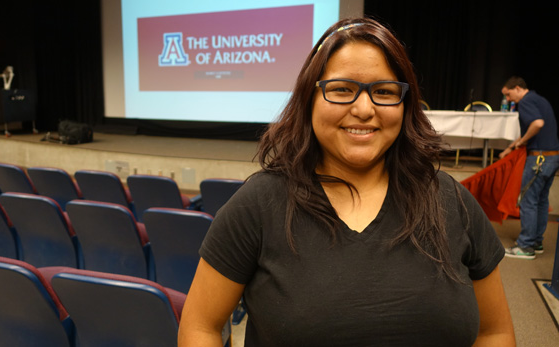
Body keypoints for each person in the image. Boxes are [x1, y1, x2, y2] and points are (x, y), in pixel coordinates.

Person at [179, 17, 515, 346]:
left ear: (405, 103)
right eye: (342, 90)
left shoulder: (451, 201)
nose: (364, 108)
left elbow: (494, 333)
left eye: (384, 91)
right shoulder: (258, 204)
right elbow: (200, 326)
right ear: (309, 98)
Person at [499, 76, 559, 259]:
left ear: (517, 88)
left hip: (538, 159)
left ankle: (525, 247)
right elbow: (533, 130)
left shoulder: (525, 102)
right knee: (541, 201)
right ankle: (536, 241)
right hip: (553, 157)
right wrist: (511, 147)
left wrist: (522, 142)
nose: (508, 100)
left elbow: (537, 124)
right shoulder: (539, 99)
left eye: (508, 95)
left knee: (528, 201)